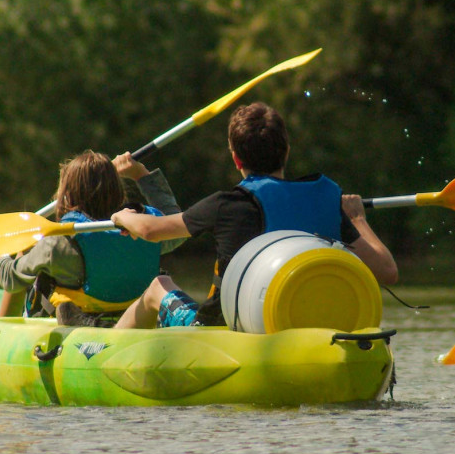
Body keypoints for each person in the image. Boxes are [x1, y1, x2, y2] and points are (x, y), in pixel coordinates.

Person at [110, 102, 398, 329]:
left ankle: (104, 351)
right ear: (286, 151)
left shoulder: (227, 204)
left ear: (236, 159)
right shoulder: (327, 198)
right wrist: (358, 218)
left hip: (224, 326)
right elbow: (387, 272)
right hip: (308, 322)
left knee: (158, 286)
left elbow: (150, 230)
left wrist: (122, 216)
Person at [0, 150, 184, 326]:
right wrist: (140, 174)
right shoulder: (144, 230)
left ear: (68, 194)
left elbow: (10, 278)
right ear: (117, 188)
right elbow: (173, 220)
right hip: (135, 323)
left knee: (25, 256)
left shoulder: (60, 242)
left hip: (81, 332)